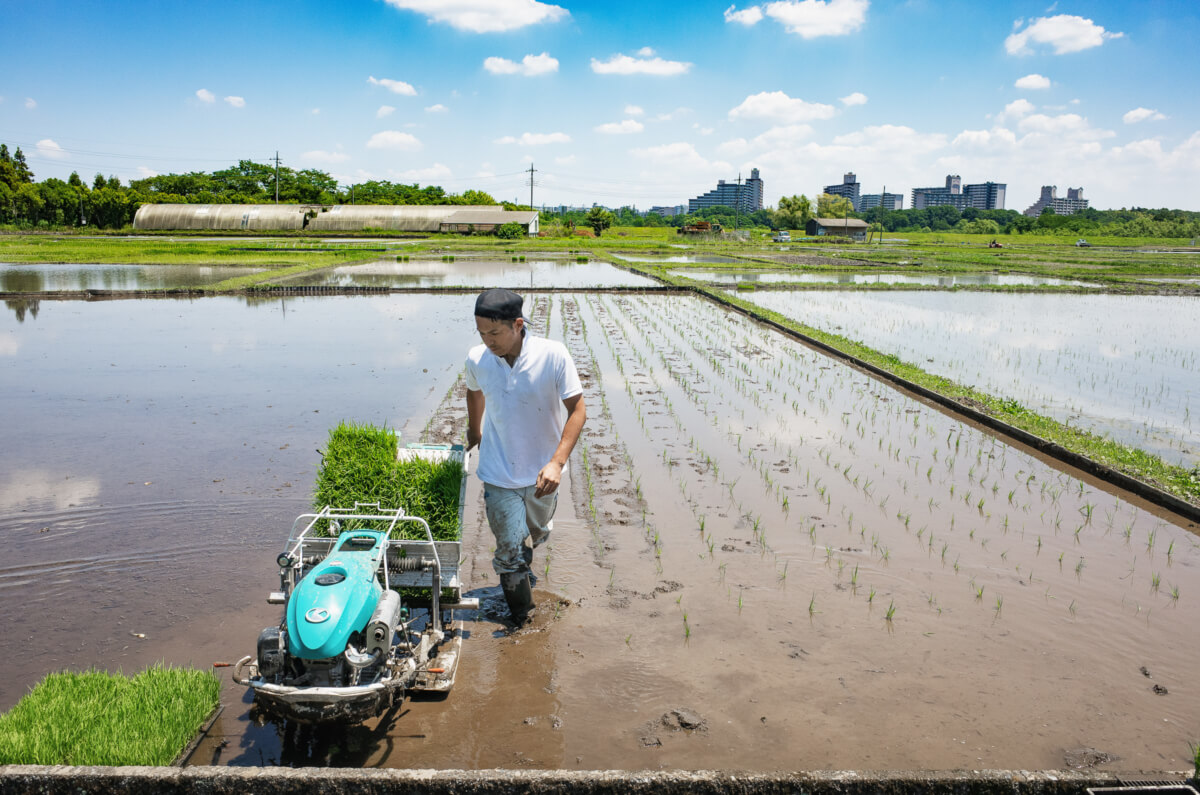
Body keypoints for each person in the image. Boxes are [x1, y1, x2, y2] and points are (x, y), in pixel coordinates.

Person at [464, 289, 586, 623]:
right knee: (508, 551)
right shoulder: (477, 359)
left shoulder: (553, 355)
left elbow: (577, 410)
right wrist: (475, 431)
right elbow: (473, 392)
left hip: (542, 475)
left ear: (518, 325)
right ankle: (522, 620)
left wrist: (556, 463)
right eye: (481, 333)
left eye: (494, 332)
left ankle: (522, 559)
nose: (487, 341)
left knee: (536, 532)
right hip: (498, 471)